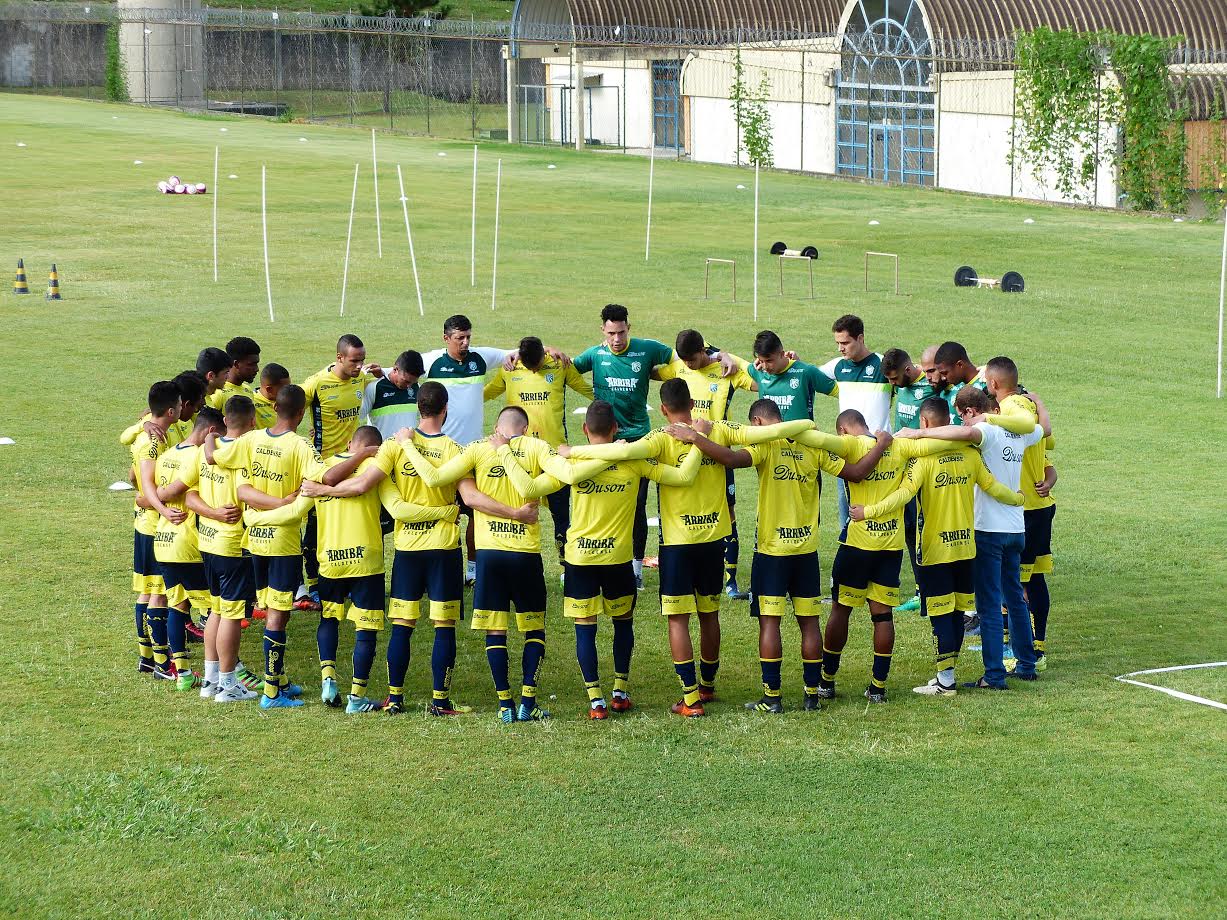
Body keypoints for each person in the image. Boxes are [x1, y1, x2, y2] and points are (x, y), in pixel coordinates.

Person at [566, 378, 813, 716]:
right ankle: (708, 686)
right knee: (709, 614)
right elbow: (768, 433)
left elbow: (622, 451)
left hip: (679, 544)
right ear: (693, 404)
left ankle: (691, 698)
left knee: (678, 621)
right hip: (715, 540)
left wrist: (571, 452)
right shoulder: (719, 429)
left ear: (664, 408)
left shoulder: (660, 438)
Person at [301, 383, 537, 716]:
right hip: (443, 549)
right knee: (444, 626)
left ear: (418, 407)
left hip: (407, 549)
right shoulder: (456, 449)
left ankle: (395, 698)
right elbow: (469, 498)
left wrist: (322, 488)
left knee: (402, 624)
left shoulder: (395, 447)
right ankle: (440, 700)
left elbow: (362, 485)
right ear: (445, 409)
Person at [669, 400, 886, 712]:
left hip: (772, 550)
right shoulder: (812, 445)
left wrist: (695, 439)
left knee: (770, 623)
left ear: (757, 422)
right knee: (809, 623)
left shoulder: (766, 444)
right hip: (806, 551)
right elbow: (857, 473)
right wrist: (881, 445)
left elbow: (730, 458)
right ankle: (812, 696)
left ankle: (772, 698)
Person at [398, 406, 606, 723]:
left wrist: (408, 444)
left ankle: (505, 705)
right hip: (525, 554)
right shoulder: (537, 447)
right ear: (526, 428)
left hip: (490, 555)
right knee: (533, 629)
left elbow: (436, 477)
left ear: (497, 426)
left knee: (496, 631)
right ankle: (528, 701)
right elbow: (568, 475)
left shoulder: (479, 448)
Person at [501, 399, 701, 719]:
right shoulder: (634, 462)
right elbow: (683, 477)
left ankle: (596, 701)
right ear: (615, 429)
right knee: (623, 625)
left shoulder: (573, 466)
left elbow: (529, 486)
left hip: (580, 560)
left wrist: (504, 451)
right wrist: (698, 445)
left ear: (584, 429)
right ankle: (619, 692)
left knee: (586, 629)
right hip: (618, 560)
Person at [850, 397, 1023, 697]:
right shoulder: (969, 453)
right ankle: (945, 676)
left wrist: (869, 512)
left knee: (941, 616)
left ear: (926, 424)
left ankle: (946, 681)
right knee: (957, 613)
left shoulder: (923, 460)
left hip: (934, 550)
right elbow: (993, 487)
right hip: (965, 547)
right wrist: (1019, 499)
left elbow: (903, 495)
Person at [208, 384, 364, 709]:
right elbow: (328, 479)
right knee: (278, 617)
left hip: (253, 543)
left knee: (267, 611)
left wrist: (208, 435)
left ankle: (277, 679)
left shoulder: (250, 439)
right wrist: (362, 455)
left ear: (275, 407)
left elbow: (215, 457)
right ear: (302, 412)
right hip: (282, 543)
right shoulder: (300, 446)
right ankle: (271, 693)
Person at [896, 381, 1048, 687]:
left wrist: (917, 433)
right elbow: (1044, 429)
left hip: (988, 529)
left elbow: (964, 434)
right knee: (1016, 597)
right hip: (1016, 526)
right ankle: (1027, 663)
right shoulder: (1020, 430)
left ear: (970, 411)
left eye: (962, 416)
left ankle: (993, 676)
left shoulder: (986, 431)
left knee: (990, 604)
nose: (961, 423)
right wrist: (1038, 402)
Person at [816, 412, 960, 703]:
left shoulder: (849, 446)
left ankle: (826, 682)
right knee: (882, 616)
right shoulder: (900, 446)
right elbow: (937, 444)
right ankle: (878, 687)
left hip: (857, 543)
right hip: (890, 547)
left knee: (840, 611)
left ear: (843, 429)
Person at [419, 315, 557, 585]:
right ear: (446, 338)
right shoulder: (433, 360)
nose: (466, 342)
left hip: (473, 451)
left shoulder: (479, 358)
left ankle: (472, 568)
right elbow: (401, 368)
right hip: (443, 450)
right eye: (460, 338)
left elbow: (520, 352)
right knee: (441, 510)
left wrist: (551, 350)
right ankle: (435, 569)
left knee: (475, 513)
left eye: (468, 336)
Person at [570, 305, 676, 588]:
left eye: (621, 332)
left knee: (637, 504)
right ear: (602, 331)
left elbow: (681, 355)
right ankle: (597, 559)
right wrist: (548, 352)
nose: (617, 338)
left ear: (630, 327)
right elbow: (566, 368)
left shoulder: (647, 349)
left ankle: (636, 567)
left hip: (637, 439)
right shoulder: (595, 354)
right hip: (603, 441)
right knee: (601, 499)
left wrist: (717, 354)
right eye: (611, 333)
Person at [655, 329, 758, 599]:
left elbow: (760, 382)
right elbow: (652, 371)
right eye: (684, 360)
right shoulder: (678, 365)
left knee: (729, 514)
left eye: (693, 359)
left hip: (717, 455)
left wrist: (730, 357)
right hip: (680, 454)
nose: (688, 365)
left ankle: (731, 580)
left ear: (703, 351)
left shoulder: (727, 370)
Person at [484, 335, 594, 565]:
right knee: (514, 515)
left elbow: (587, 389)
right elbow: (487, 393)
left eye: (538, 366)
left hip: (553, 457)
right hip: (518, 457)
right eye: (530, 366)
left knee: (562, 517)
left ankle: (566, 565)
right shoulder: (510, 367)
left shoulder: (558, 364)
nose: (534, 371)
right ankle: (513, 563)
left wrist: (617, 405)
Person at [183, 395, 260, 703]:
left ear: (225, 420)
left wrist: (211, 513)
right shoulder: (247, 453)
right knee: (231, 614)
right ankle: (228, 685)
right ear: (253, 423)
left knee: (216, 609)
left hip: (207, 541)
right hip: (232, 544)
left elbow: (188, 494)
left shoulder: (204, 451)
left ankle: (211, 680)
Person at [299, 334, 384, 609]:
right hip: (325, 466)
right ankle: (313, 584)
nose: (359, 366)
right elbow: (288, 404)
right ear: (339, 358)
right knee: (316, 525)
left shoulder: (360, 378)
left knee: (354, 522)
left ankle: (352, 579)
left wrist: (380, 373)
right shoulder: (317, 384)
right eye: (353, 361)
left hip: (355, 460)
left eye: (361, 360)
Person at [984, 357, 1058, 672]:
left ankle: (1026, 650)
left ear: (993, 384)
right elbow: (1047, 438)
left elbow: (1031, 433)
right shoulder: (1028, 408)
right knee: (1029, 579)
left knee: (1015, 582)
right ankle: (1032, 644)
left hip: (1022, 507)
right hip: (1038, 507)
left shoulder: (1011, 411)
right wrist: (1039, 402)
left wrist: (985, 420)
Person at [128, 381, 184, 680]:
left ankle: (147, 658)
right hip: (153, 526)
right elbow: (147, 485)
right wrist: (163, 509)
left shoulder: (144, 432)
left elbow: (132, 475)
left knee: (146, 592)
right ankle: (164, 664)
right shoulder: (152, 442)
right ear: (172, 410)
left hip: (144, 522)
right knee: (159, 594)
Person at [819, 315, 892, 530]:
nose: (840, 348)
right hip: (848, 450)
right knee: (847, 505)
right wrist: (793, 358)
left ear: (860, 338)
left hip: (880, 449)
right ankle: (847, 543)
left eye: (845, 343)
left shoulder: (882, 365)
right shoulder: (838, 367)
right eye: (838, 343)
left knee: (880, 507)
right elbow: (808, 374)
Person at [881, 347, 939, 613]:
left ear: (907, 370)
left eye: (894, 379)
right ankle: (920, 588)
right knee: (908, 527)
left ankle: (932, 588)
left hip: (926, 467)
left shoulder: (931, 386)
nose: (891, 384)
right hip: (903, 467)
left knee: (926, 526)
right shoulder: (899, 384)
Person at [746, 329, 838, 422]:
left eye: (769, 361)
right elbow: (737, 364)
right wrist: (729, 359)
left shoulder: (805, 372)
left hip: (800, 435)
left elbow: (839, 391)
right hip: (770, 436)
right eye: (761, 361)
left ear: (782, 354)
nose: (765, 366)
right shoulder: (758, 370)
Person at [361, 350, 424, 441]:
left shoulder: (416, 387)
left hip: (408, 450)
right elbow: (356, 417)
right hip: (382, 452)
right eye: (406, 381)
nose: (409, 386)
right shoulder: (375, 388)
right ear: (395, 370)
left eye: (413, 382)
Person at [933, 341, 988, 417]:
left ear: (960, 364)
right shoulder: (951, 388)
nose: (942, 378)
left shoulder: (986, 384)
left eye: (945, 373)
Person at [206, 336, 260, 410]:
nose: (257, 369)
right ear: (236, 364)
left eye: (256, 364)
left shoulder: (248, 390)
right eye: (251, 364)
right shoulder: (218, 394)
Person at [252, 363, 289, 429]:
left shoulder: (286, 400)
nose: (287, 392)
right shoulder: (251, 402)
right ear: (269, 389)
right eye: (284, 389)